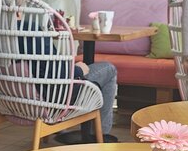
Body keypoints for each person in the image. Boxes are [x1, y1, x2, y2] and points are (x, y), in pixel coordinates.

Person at [19, 9, 118, 140]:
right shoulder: (31, 30)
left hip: (18, 98)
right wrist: (78, 70)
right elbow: (56, 73)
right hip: (55, 96)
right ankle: (100, 134)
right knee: (109, 69)